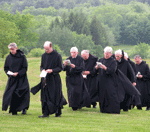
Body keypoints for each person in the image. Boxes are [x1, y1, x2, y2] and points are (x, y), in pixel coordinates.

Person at [31, 41, 67, 118]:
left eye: (47, 49)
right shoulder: (43, 56)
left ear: (51, 47)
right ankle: (45, 113)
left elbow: (60, 68)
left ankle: (58, 112)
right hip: (45, 78)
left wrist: (52, 70)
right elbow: (41, 66)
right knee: (45, 95)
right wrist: (42, 70)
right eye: (45, 49)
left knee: (56, 95)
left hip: (54, 79)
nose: (46, 50)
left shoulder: (57, 55)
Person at [2, 43, 30, 115]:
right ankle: (13, 110)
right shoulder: (8, 58)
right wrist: (10, 73)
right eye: (10, 49)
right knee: (12, 94)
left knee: (23, 93)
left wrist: (19, 73)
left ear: (16, 48)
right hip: (12, 79)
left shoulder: (22, 57)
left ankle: (24, 109)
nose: (12, 51)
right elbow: (6, 68)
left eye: (13, 49)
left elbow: (25, 68)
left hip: (21, 79)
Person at [95, 46, 120, 114]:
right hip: (101, 80)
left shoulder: (113, 61)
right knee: (101, 95)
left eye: (107, 54)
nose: (106, 55)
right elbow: (94, 71)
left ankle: (112, 110)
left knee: (110, 95)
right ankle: (102, 109)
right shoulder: (100, 60)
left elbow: (113, 70)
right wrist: (96, 67)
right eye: (105, 53)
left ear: (111, 54)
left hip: (109, 81)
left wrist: (105, 68)